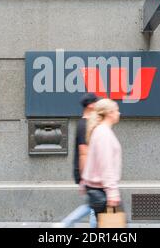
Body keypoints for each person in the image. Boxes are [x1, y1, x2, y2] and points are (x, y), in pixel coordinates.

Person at [55, 93, 98, 228]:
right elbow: (83, 153)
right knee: (94, 207)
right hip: (88, 174)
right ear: (90, 105)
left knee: (92, 205)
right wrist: (84, 178)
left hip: (91, 173)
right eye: (96, 102)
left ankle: (65, 224)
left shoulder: (87, 123)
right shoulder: (84, 125)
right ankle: (65, 224)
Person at [82, 98, 122, 222]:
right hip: (103, 190)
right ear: (109, 113)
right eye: (116, 110)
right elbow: (106, 165)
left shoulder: (100, 131)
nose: (119, 113)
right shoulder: (104, 133)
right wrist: (112, 192)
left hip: (99, 189)